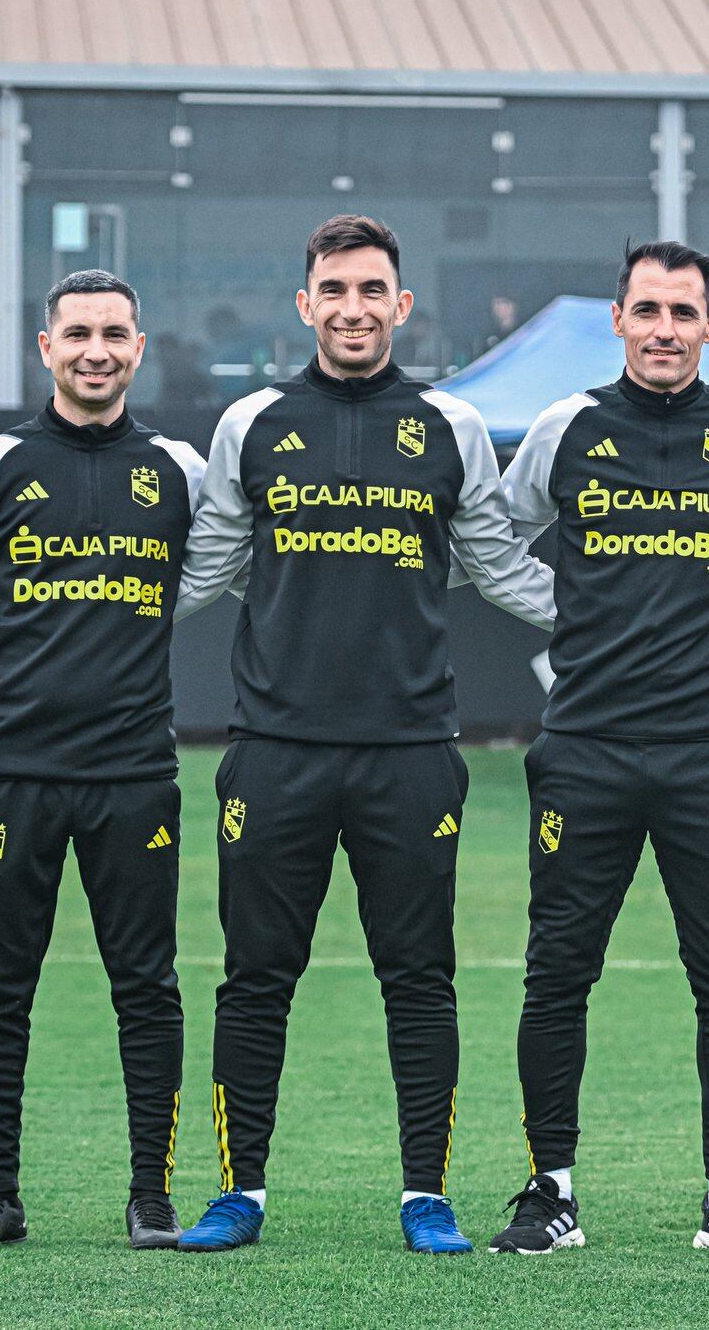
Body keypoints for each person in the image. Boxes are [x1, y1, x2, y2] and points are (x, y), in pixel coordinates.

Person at [171, 215, 555, 1255]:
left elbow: (500, 567)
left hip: (411, 756)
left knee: (418, 979)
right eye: (332, 291)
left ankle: (423, 1195)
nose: (351, 308)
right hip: (274, 752)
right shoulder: (251, 423)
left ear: (400, 305)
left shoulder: (448, 425)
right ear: (305, 305)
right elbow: (202, 570)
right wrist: (85, 617)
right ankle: (239, 1192)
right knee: (254, 978)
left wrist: (632, 608)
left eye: (370, 290)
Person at [0, 270, 203, 1252]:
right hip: (12, 774)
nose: (96, 350)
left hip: (134, 774)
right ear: (45, 347)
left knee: (145, 985)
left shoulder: (182, 470)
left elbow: (227, 573)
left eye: (114, 333)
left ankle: (150, 1194)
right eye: (78, 334)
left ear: (138, 349)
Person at [488, 240, 709, 1256]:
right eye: (646, 310)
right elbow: (496, 535)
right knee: (556, 974)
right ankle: (550, 1195)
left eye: (683, 313)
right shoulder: (565, 427)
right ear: (615, 321)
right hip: (585, 747)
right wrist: (568, 609)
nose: (664, 329)